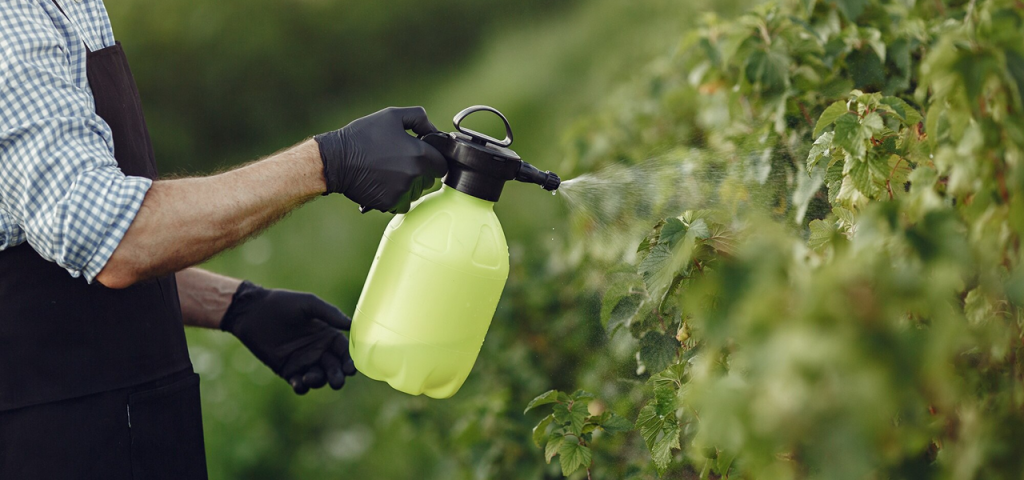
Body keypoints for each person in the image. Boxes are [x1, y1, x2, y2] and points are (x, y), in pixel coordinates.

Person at [0, 1, 447, 478]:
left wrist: (235, 304)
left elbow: (50, 242)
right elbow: (117, 235)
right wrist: (327, 162)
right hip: (58, 445)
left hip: (134, 431)